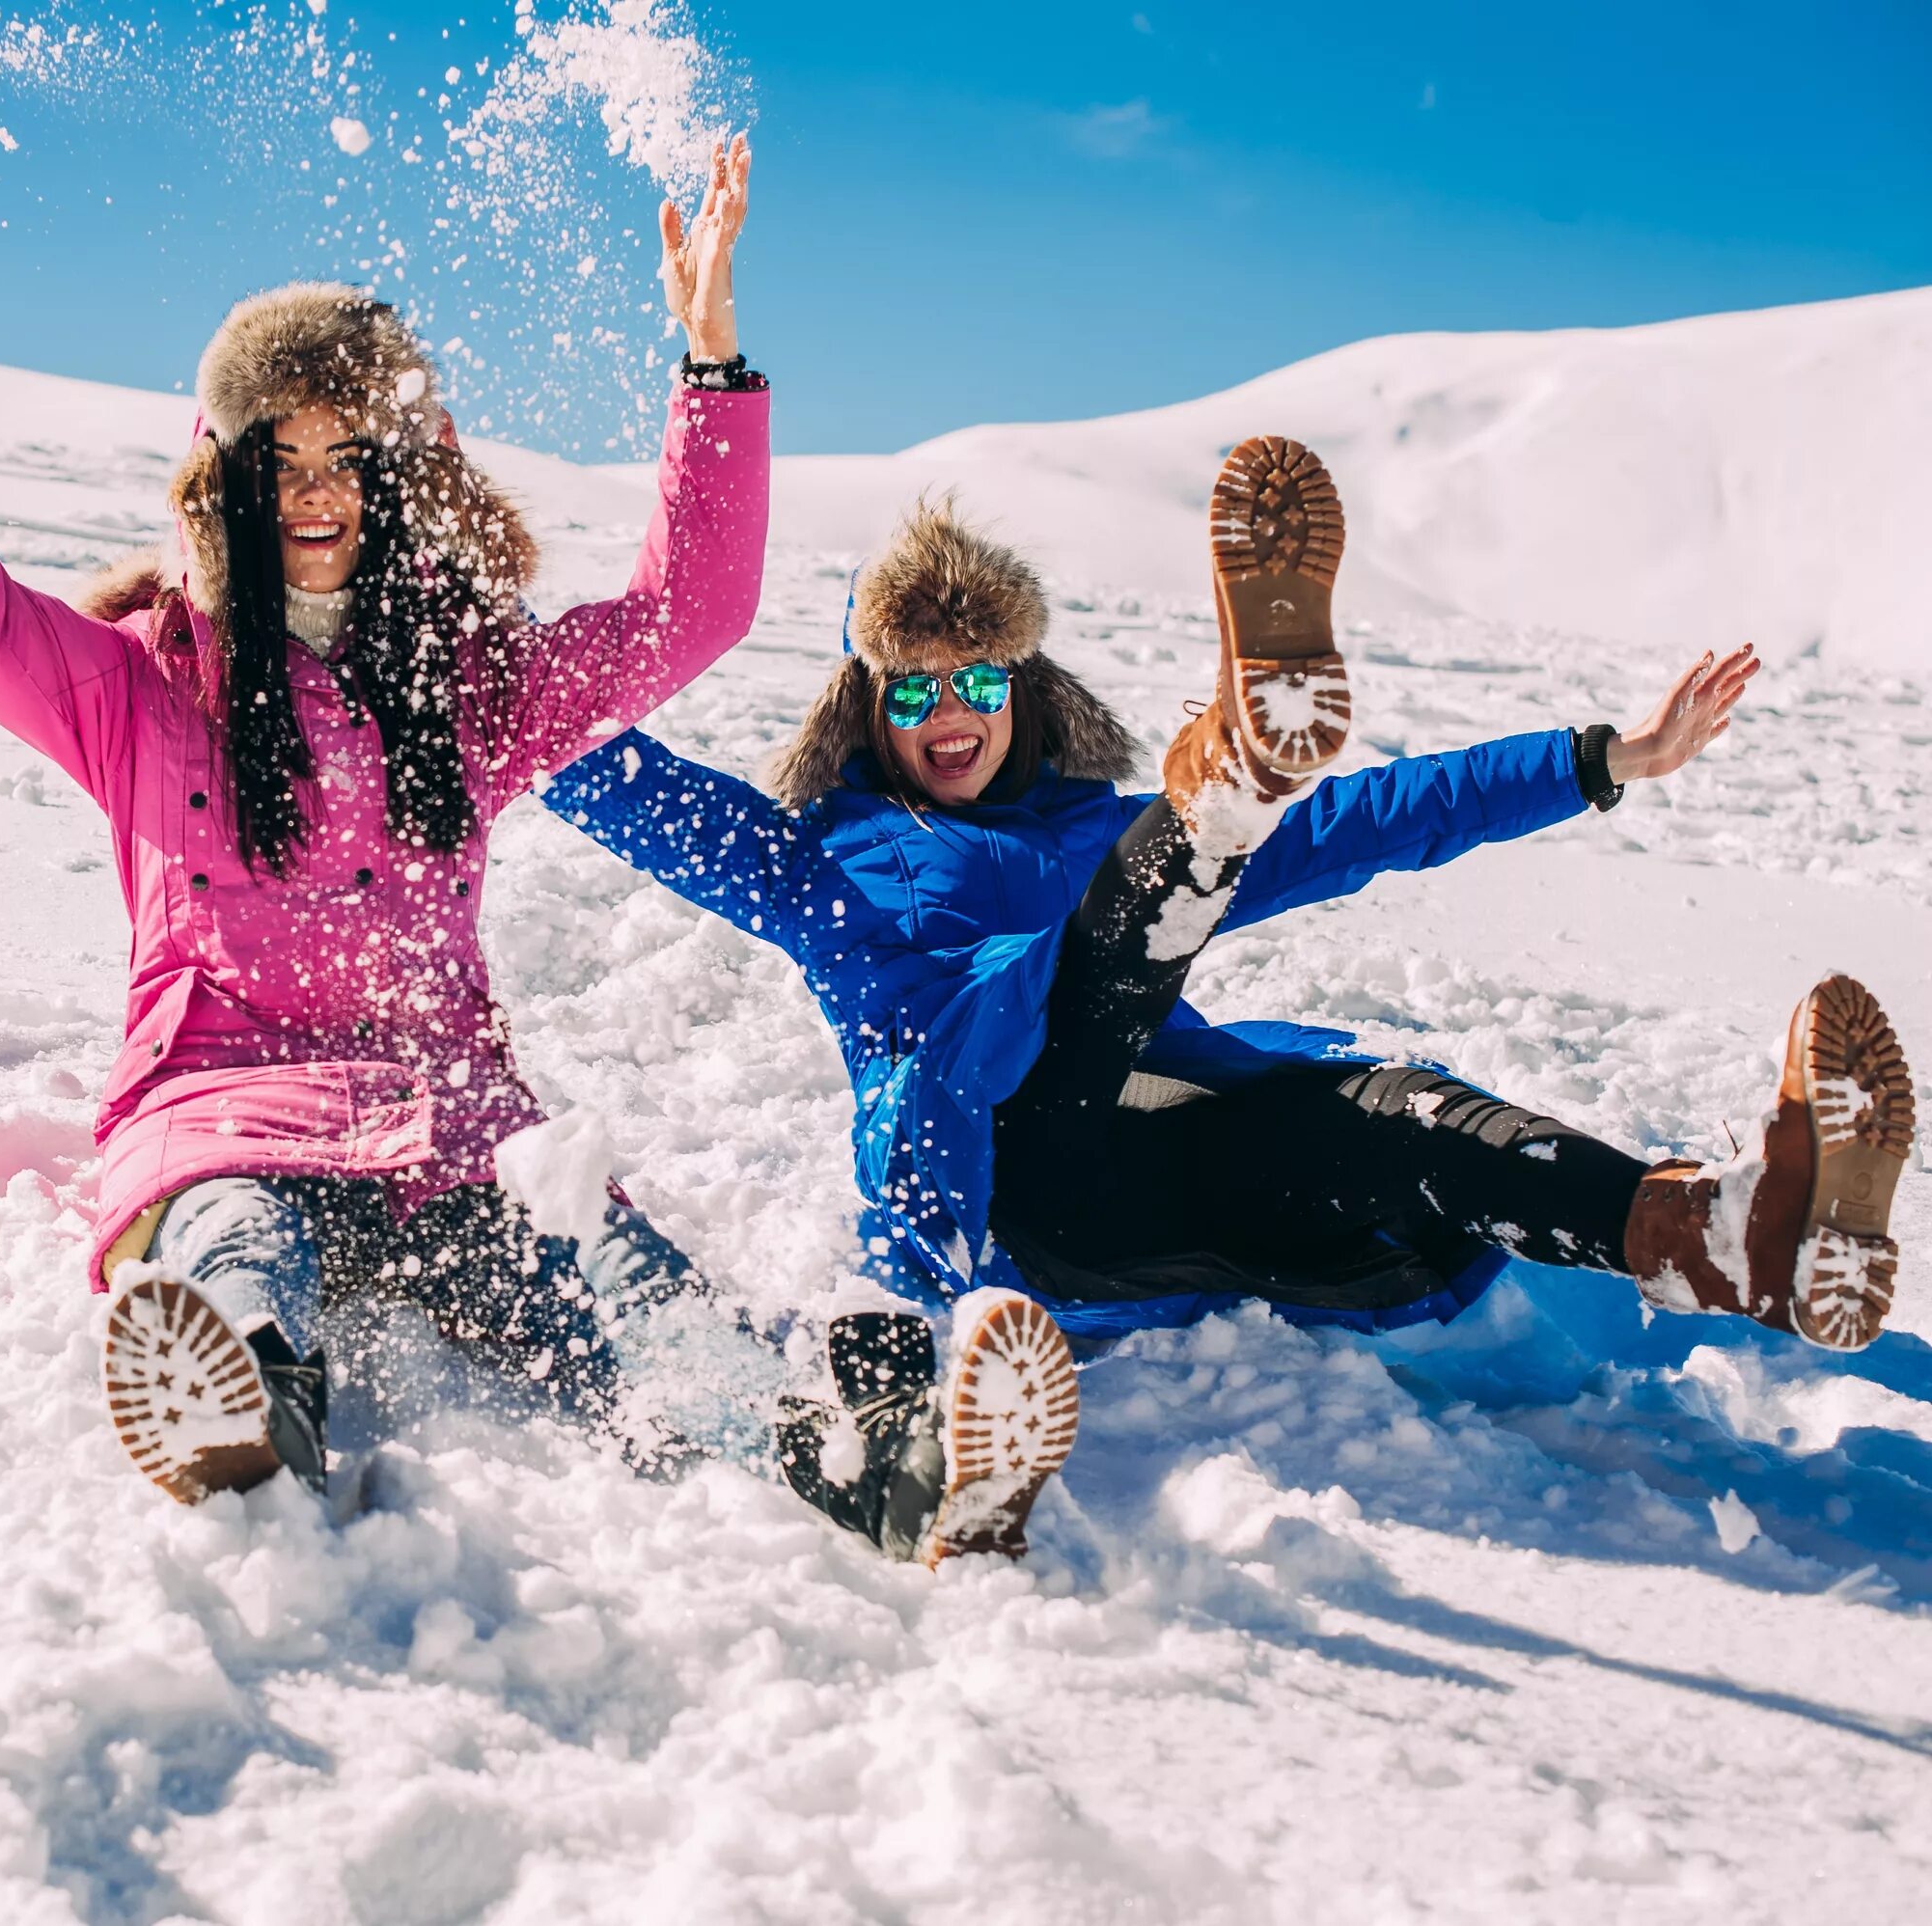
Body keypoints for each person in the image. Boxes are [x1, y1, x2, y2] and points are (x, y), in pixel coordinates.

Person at [545, 438, 1914, 1562]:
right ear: (869, 700)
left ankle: (1725, 1237)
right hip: (1008, 1182)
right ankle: (1232, 782)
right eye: (915, 685)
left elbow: (1370, 820)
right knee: (1087, 962)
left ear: (1025, 687)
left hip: (1163, 1175)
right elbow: (603, 771)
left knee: (1389, 1115)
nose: (949, 710)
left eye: (979, 677)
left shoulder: (1091, 827)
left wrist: (1607, 758)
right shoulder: (814, 862)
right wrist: (433, 654)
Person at [0, 112, 784, 1500]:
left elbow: (688, 611)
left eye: (352, 459)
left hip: (446, 1120)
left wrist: (709, 364)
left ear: (404, 478)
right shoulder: (142, 687)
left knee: (602, 1277)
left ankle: (821, 1432)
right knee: (232, 1244)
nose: (318, 494)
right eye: (280, 460)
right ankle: (240, 1396)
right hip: (220, 1102)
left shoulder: (474, 687)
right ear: (226, 481)